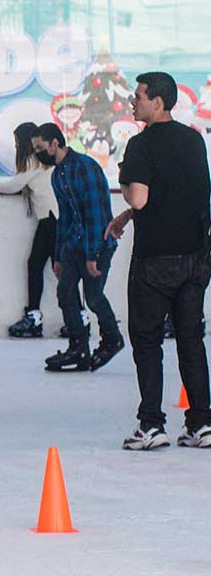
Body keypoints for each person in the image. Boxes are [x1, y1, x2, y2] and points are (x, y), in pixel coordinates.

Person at [107, 72, 211, 450]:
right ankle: (201, 423)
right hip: (197, 259)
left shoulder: (141, 144)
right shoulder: (193, 141)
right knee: (190, 339)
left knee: (147, 341)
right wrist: (125, 217)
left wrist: (124, 183)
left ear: (158, 102)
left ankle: (151, 425)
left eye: (138, 96)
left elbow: (139, 198)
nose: (133, 102)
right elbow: (176, 194)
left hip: (155, 261)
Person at [32, 123, 124, 372]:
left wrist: (93, 254)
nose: (37, 153)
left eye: (40, 148)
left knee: (93, 298)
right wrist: (60, 254)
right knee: (65, 293)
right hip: (74, 245)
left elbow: (95, 214)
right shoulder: (57, 175)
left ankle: (112, 339)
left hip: (98, 243)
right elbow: (65, 216)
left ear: (54, 144)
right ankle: (78, 348)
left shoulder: (84, 167)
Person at [0, 122, 60, 338]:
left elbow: (13, 185)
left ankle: (34, 317)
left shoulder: (32, 161)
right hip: (55, 218)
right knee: (60, 268)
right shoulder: (44, 161)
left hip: (50, 220)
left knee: (38, 265)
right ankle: (78, 318)